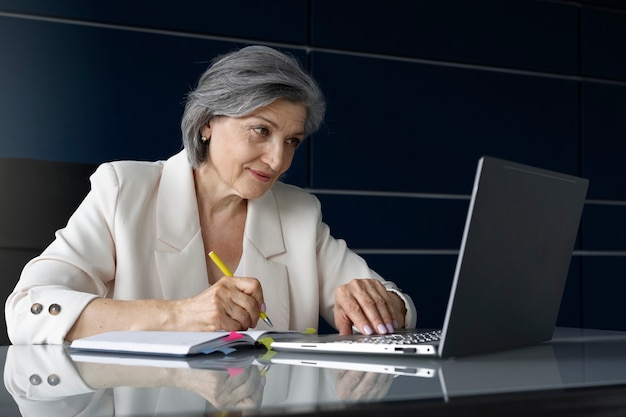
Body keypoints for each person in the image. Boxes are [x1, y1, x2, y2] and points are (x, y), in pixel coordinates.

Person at [5, 45, 416, 345]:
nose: (278, 160)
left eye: (292, 140)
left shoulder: (299, 213)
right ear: (206, 123)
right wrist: (181, 315)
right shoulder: (122, 191)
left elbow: (398, 304)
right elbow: (28, 310)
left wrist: (381, 306)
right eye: (261, 130)